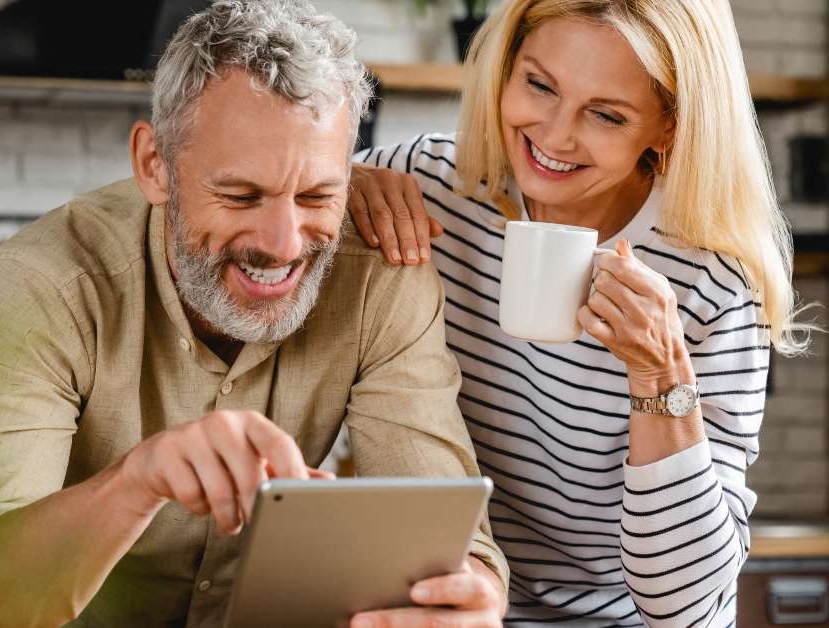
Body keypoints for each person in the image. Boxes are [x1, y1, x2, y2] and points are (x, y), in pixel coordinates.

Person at [0, 2, 509, 627]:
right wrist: (138, 480)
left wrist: (467, 597)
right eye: (239, 195)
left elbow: (446, 533)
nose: (283, 244)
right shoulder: (46, 282)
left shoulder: (382, 274)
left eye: (316, 194)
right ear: (155, 166)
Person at [348, 0, 817, 625]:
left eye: (605, 115)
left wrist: (661, 376)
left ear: (669, 127)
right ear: (507, 67)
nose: (555, 135)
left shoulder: (713, 283)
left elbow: (687, 610)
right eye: (539, 85)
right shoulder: (427, 186)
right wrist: (335, 185)